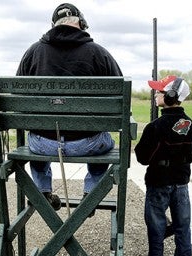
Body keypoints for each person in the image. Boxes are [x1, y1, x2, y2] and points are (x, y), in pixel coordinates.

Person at [16, 3, 123, 212]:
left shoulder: (33, 52)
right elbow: (119, 97)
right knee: (106, 141)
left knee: (34, 134)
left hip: (43, 144)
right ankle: (91, 194)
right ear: (81, 23)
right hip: (87, 144)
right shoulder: (99, 54)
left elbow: (18, 97)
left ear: (53, 25)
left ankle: (42, 191)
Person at [134, 75, 192, 256]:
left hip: (158, 182)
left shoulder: (156, 126)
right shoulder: (190, 124)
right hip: (181, 182)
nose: (155, 94)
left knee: (156, 227)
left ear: (171, 96)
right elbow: (191, 156)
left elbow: (143, 158)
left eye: (159, 91)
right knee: (182, 226)